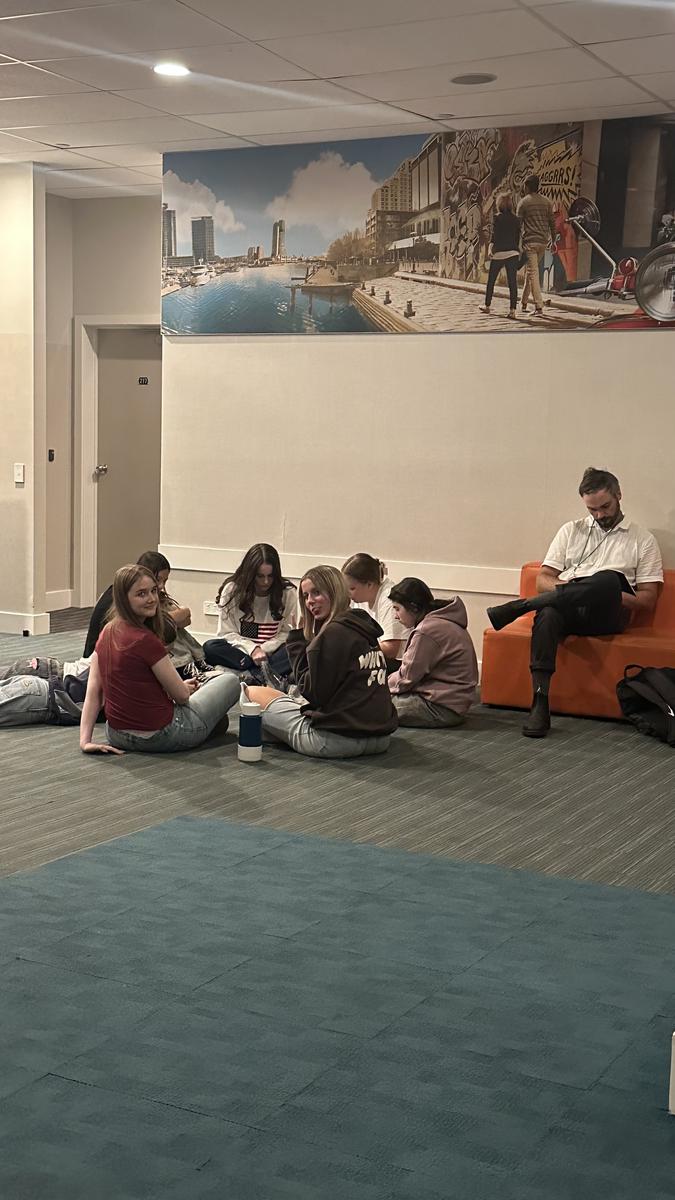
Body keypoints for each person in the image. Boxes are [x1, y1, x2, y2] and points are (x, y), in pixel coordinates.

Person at [487, 467, 663, 738]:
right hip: (568, 608)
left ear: (618, 495)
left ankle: (522, 606)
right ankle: (540, 701)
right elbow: (543, 580)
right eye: (592, 510)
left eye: (605, 507)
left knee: (607, 580)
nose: (599, 515)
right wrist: (578, 590)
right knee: (548, 612)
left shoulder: (642, 540)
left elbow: (648, 599)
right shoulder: (571, 531)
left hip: (608, 614)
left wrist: (607, 592)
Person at [79, 563, 239, 754]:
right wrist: (181, 689)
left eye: (153, 591)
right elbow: (182, 697)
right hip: (162, 735)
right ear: (123, 599)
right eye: (141, 594)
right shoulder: (145, 640)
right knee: (230, 681)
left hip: (117, 735)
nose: (152, 599)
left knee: (220, 722)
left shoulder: (108, 631)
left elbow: (94, 691)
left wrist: (85, 741)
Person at [247, 565, 397, 758]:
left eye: (316, 593)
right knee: (271, 720)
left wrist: (296, 641)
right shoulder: (361, 627)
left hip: (336, 740)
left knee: (250, 694)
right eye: (306, 596)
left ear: (335, 591)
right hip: (380, 737)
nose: (310, 601)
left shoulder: (333, 633)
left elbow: (312, 693)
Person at [388, 578, 478, 727]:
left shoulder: (427, 630)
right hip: (456, 703)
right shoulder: (444, 620)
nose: (395, 616)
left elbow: (406, 679)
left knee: (372, 704)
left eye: (397, 609)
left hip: (439, 707)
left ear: (413, 607)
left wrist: (380, 686)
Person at [203, 544, 296, 682]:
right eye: (260, 576)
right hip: (242, 654)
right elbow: (226, 633)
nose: (266, 582)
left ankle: (252, 676)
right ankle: (264, 675)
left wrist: (263, 649)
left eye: (270, 576)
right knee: (210, 647)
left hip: (272, 653)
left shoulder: (288, 592)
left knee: (301, 646)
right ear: (250, 574)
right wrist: (253, 650)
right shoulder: (232, 590)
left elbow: (287, 633)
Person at [83, 551, 192, 658]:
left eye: (165, 581)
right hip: (105, 656)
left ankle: (193, 659)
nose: (161, 586)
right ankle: (192, 659)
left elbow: (185, 618)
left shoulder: (124, 593)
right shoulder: (121, 600)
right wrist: (170, 620)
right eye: (158, 579)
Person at [341, 553, 406, 666]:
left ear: (369, 584)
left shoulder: (388, 598)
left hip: (395, 664)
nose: (348, 594)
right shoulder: (360, 598)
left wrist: (354, 648)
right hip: (372, 659)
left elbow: (391, 650)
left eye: (352, 588)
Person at [517, 174, 556, 316]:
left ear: (527, 186)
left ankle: (539, 307)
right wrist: (553, 240)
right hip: (543, 242)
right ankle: (523, 303)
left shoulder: (523, 203)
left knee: (532, 273)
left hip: (530, 243)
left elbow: (518, 226)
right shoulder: (547, 202)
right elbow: (552, 223)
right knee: (531, 273)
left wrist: (518, 245)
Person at [479, 193, 521, 319]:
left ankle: (487, 306)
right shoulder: (516, 219)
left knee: (491, 281)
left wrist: (490, 249)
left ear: (499, 204)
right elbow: (517, 238)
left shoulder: (497, 218)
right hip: (513, 253)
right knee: (512, 283)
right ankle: (512, 311)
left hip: (499, 253)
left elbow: (494, 236)